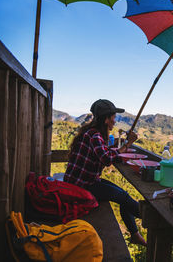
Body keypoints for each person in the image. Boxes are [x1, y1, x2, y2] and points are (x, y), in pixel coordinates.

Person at [64, 99, 146, 246]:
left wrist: (119, 147)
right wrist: (128, 144)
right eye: (113, 117)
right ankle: (148, 218)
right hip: (81, 186)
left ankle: (135, 234)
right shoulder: (94, 135)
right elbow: (106, 158)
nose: (115, 121)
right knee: (123, 197)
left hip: (84, 181)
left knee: (123, 195)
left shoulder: (92, 133)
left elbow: (104, 151)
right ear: (106, 118)